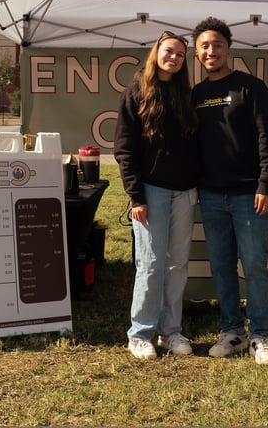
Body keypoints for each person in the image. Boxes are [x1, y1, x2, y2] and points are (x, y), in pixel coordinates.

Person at [191, 16, 268, 365]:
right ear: (197, 53)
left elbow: (267, 137)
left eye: (217, 45)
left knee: (255, 266)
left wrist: (266, 183)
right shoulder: (196, 95)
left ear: (228, 49)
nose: (210, 51)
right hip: (211, 195)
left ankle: (260, 336)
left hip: (249, 195)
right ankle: (232, 331)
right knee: (221, 266)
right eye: (204, 46)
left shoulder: (250, 87)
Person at [114, 30, 199, 360]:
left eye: (179, 54)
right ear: (156, 52)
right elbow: (125, 149)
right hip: (151, 191)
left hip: (185, 192)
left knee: (177, 264)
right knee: (150, 263)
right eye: (169, 51)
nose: (173, 58)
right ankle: (140, 333)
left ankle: (170, 331)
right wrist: (136, 197)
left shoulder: (185, 94)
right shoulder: (137, 90)